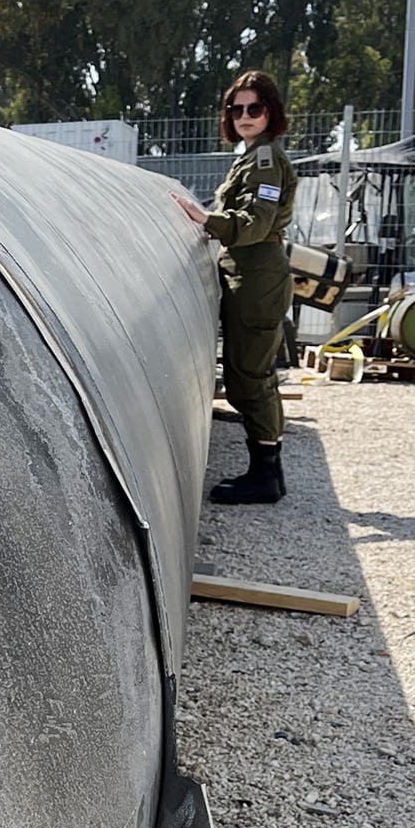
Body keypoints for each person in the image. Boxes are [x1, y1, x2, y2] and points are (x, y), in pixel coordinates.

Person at [172, 70, 300, 504]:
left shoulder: (266, 161)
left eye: (254, 109)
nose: (244, 116)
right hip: (246, 277)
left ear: (270, 113)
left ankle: (265, 476)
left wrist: (210, 220)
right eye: (236, 109)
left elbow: (257, 222)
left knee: (252, 379)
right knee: (247, 374)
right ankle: (267, 472)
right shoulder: (249, 157)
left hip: (258, 281)